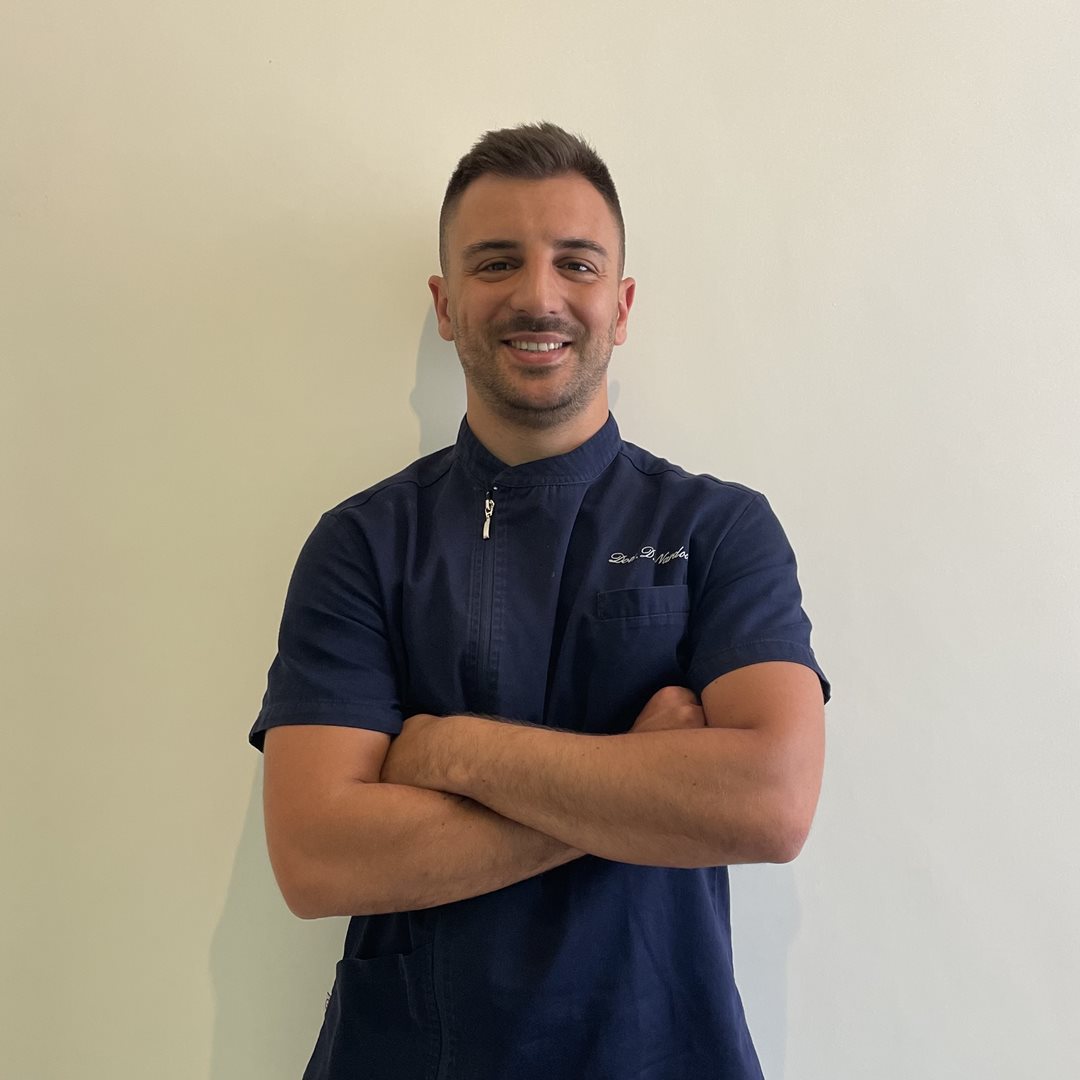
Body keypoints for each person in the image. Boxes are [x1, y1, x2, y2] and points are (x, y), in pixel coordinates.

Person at [251, 121, 829, 1080]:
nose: (538, 295)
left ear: (621, 304)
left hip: (664, 1052)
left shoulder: (720, 528)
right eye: (495, 263)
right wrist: (642, 779)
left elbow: (770, 804)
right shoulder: (362, 545)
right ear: (445, 304)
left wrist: (454, 751)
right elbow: (317, 858)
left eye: (576, 263)